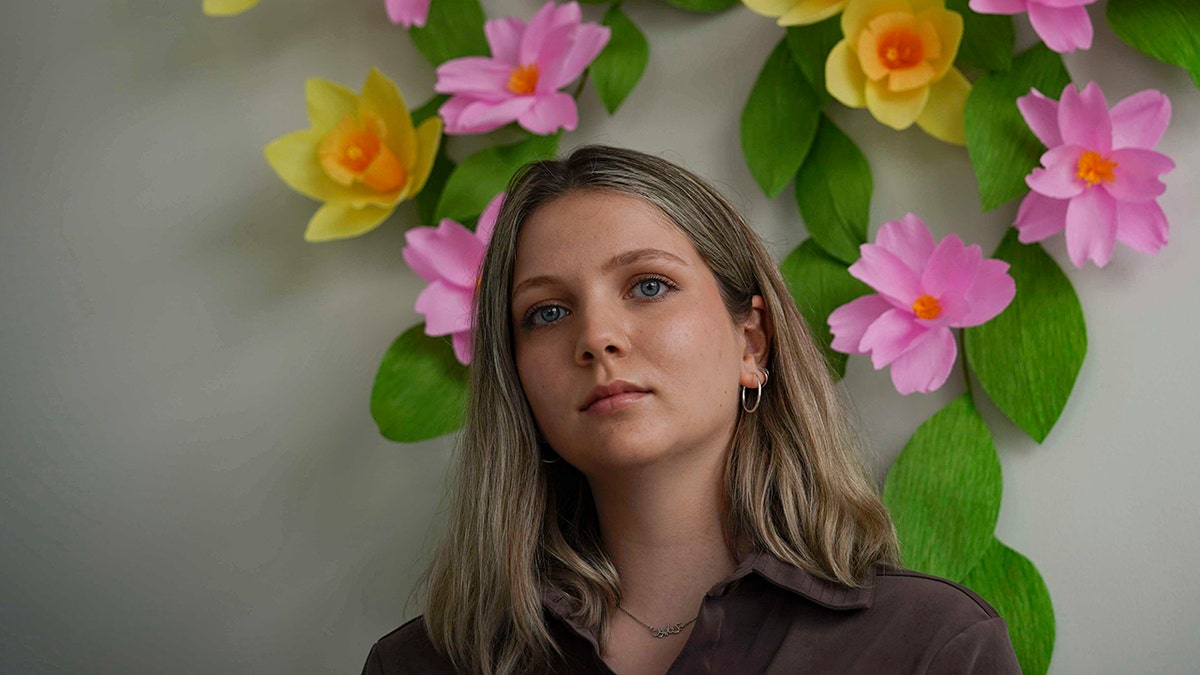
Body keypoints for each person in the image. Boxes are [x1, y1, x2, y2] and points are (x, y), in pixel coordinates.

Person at [361, 145, 1021, 674]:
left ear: (751, 341)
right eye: (548, 312)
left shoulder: (932, 647)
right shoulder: (419, 664)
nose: (596, 336)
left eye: (648, 285)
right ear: (518, 381)